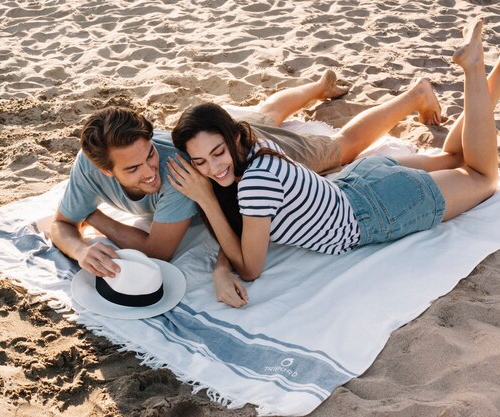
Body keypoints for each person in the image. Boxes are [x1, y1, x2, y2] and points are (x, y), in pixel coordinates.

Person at [168, 18, 499, 308]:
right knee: (452, 157)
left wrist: (207, 201)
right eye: (199, 161)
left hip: (380, 207)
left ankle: (472, 67)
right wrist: (221, 267)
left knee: (481, 175)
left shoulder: (255, 182)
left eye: (217, 153)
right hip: (360, 181)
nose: (212, 169)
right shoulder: (253, 146)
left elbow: (252, 268)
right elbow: (246, 228)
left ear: (233, 139)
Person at [51, 70, 423, 278]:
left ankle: (414, 96)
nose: (152, 172)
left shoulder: (178, 172)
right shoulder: (88, 166)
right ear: (102, 168)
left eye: (150, 154)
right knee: (259, 114)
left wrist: (95, 217)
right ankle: (318, 87)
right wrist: (81, 249)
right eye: (133, 168)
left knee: (339, 150)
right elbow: (62, 225)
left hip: (237, 152)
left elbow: (158, 251)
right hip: (215, 148)